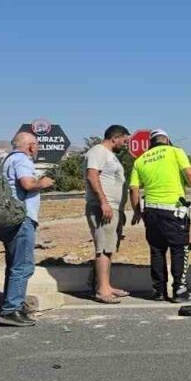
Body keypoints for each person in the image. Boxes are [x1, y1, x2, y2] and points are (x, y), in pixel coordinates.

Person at [129, 129, 191, 302]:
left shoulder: (140, 160)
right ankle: (180, 291)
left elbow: (133, 189)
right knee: (179, 249)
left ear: (150, 144)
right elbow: (189, 173)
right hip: (173, 210)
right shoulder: (175, 151)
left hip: (151, 211)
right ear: (167, 141)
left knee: (157, 251)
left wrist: (137, 211)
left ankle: (159, 291)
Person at [0, 131, 54, 327]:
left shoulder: (7, 160)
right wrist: (43, 183)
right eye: (36, 145)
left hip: (8, 219)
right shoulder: (23, 160)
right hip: (22, 218)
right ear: (30, 146)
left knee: (14, 264)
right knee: (23, 265)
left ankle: (14, 304)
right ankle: (11, 310)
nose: (37, 148)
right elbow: (27, 184)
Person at [85, 125, 131, 304]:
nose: (125, 145)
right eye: (124, 141)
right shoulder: (98, 151)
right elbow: (92, 176)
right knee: (103, 248)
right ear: (115, 138)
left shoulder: (110, 155)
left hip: (113, 208)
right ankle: (102, 290)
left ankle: (106, 285)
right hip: (102, 207)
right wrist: (104, 202)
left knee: (109, 248)